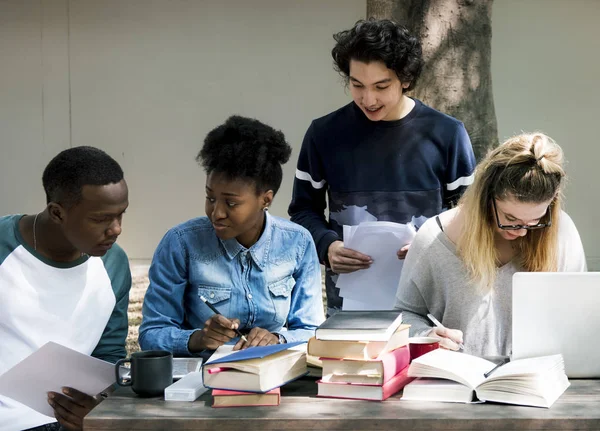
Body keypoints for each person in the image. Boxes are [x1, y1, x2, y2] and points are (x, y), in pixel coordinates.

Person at [288, 19, 476, 316]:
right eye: (357, 85)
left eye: (381, 86)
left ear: (406, 79)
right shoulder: (323, 134)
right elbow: (302, 210)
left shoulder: (447, 134)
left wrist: (431, 244)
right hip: (349, 307)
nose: (368, 99)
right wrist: (327, 246)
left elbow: (471, 214)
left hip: (431, 306)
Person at [139, 116, 324, 357]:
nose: (216, 213)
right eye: (210, 198)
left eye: (231, 203)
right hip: (200, 381)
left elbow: (312, 330)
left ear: (265, 199)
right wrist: (199, 338)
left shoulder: (297, 243)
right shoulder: (180, 243)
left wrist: (277, 338)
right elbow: (152, 333)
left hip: (274, 376)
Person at [395, 132, 587, 357]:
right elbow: (404, 316)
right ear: (486, 199)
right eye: (511, 219)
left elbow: (579, 314)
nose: (522, 231)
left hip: (539, 381)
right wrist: (426, 335)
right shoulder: (435, 237)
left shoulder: (561, 232)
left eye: (535, 221)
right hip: (458, 384)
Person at [0, 146, 130, 431]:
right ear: (57, 213)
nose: (116, 229)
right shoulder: (3, 248)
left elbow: (109, 355)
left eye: (121, 215)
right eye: (101, 218)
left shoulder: (114, 264)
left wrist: (100, 404)